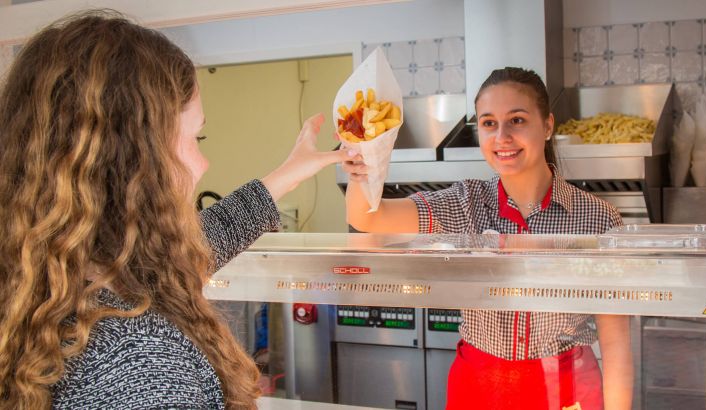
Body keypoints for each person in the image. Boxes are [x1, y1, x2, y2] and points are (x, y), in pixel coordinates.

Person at [0, 11, 354, 410]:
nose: (203, 164)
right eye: (195, 137)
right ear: (134, 159)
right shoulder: (143, 368)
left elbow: (192, 247)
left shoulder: (49, 276)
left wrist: (288, 174)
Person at [342, 67, 633, 409]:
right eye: (489, 123)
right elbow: (366, 217)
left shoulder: (598, 218)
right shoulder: (464, 204)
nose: (502, 137)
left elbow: (616, 347)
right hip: (481, 390)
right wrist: (364, 156)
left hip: (566, 390)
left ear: (548, 125)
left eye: (518, 120)